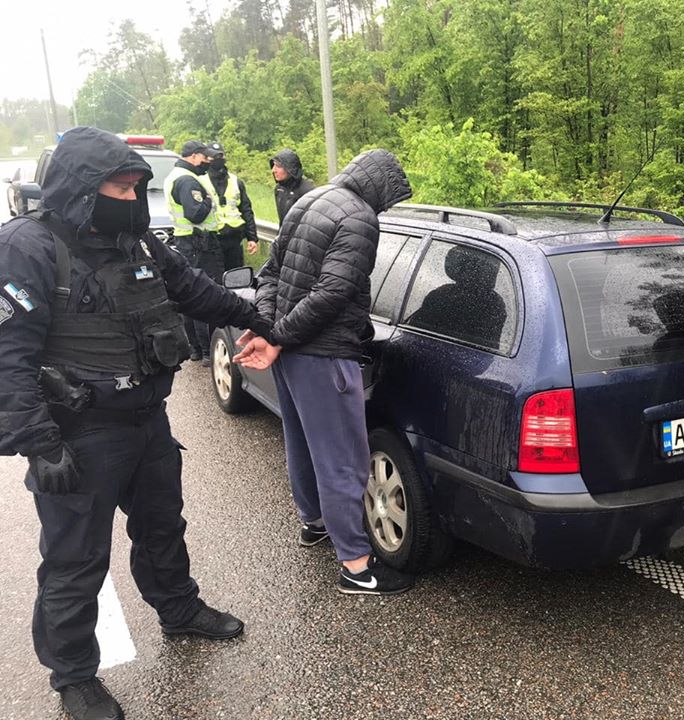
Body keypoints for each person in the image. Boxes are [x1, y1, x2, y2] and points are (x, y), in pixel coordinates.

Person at [0, 126, 273, 720]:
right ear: (79, 189)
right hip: (78, 432)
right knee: (76, 560)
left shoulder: (139, 242)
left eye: (135, 189)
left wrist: (265, 321)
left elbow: (197, 292)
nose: (131, 199)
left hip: (147, 419)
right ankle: (74, 676)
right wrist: (38, 444)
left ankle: (179, 611)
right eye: (119, 189)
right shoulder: (30, 246)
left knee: (162, 526)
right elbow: (8, 355)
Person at [234, 149, 414, 595]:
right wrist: (277, 338)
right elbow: (333, 292)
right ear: (379, 188)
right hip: (324, 355)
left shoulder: (309, 200)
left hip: (292, 355)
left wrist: (269, 330)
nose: (385, 210)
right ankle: (356, 567)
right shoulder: (359, 219)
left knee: (302, 443)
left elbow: (270, 275)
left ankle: (314, 523)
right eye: (389, 201)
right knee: (344, 462)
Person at [164, 139, 224, 367]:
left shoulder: (177, 175)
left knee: (190, 293)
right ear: (193, 156)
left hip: (188, 242)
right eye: (204, 156)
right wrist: (208, 201)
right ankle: (208, 349)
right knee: (205, 294)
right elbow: (195, 214)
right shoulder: (187, 180)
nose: (207, 160)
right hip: (200, 244)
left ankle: (196, 349)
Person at [204, 142, 259, 271]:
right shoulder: (200, 180)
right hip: (212, 239)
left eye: (220, 156)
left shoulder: (236, 181)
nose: (217, 159)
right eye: (213, 156)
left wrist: (252, 238)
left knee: (235, 278)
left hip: (234, 239)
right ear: (207, 158)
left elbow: (246, 210)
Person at [270, 148, 316, 225]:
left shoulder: (308, 191)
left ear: (290, 169)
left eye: (278, 166)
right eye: (273, 165)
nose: (273, 170)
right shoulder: (279, 189)